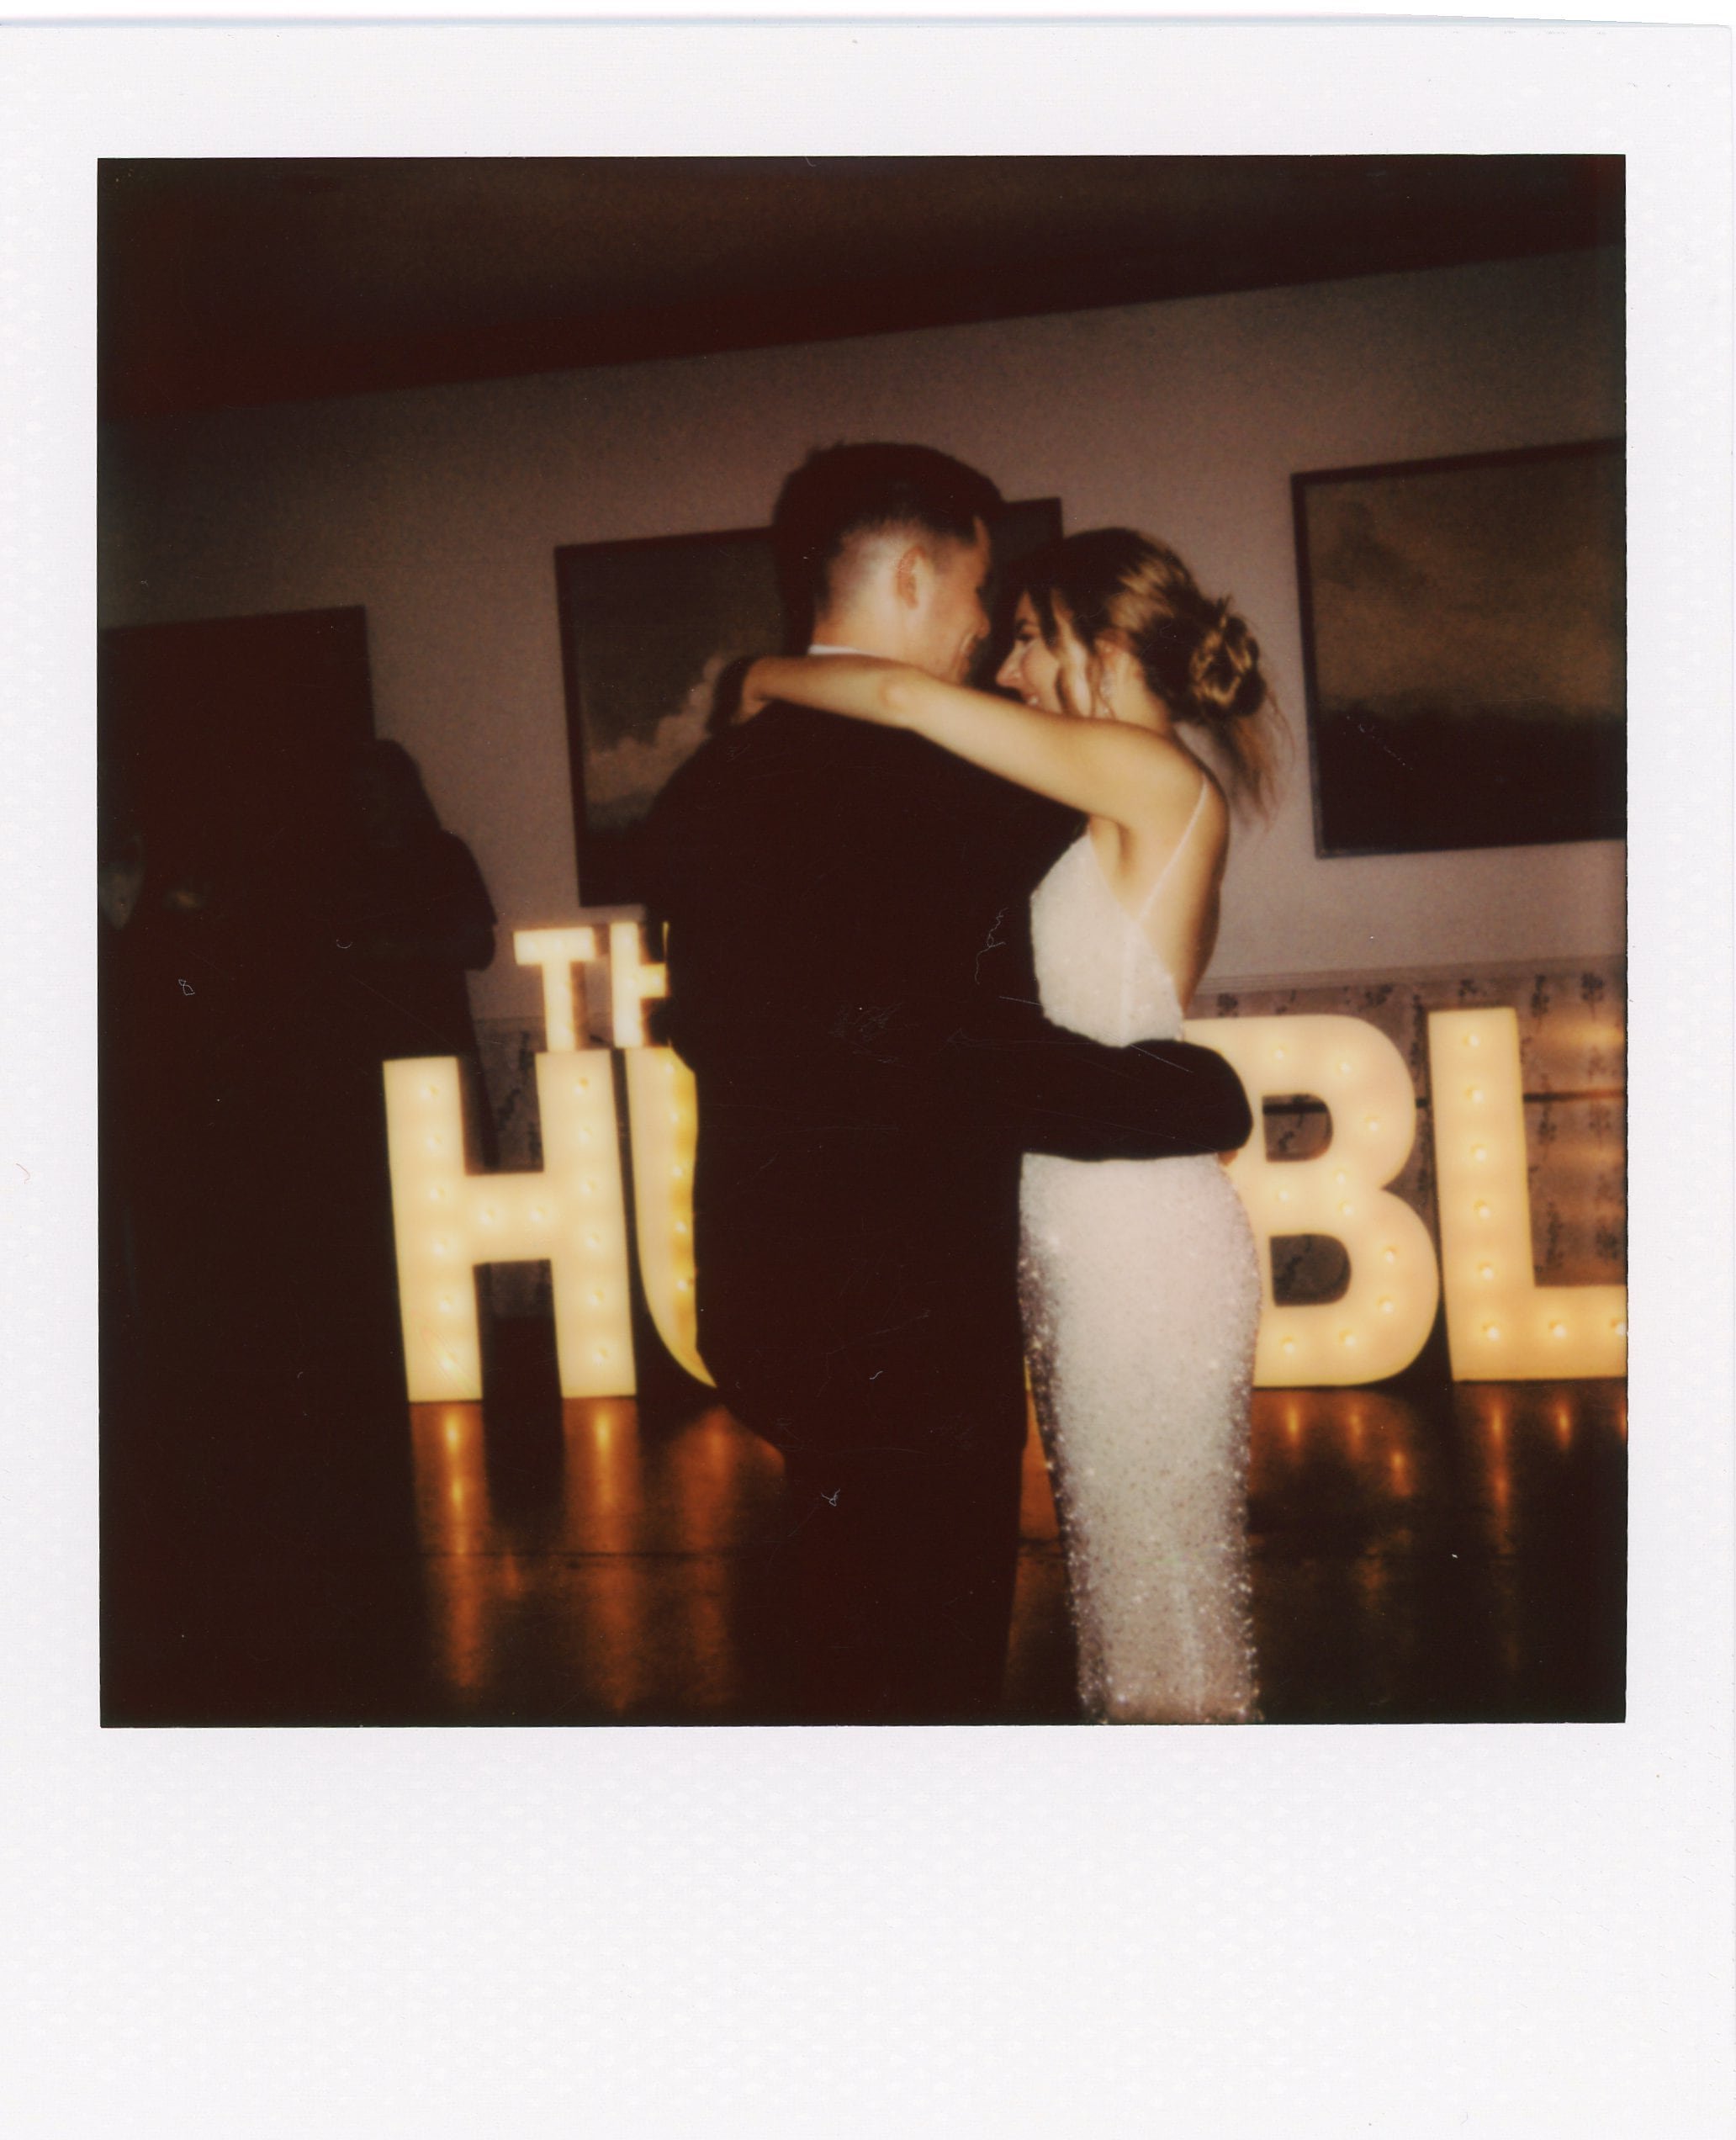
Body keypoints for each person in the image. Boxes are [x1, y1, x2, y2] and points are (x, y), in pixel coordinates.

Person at [639, 447, 1255, 1723]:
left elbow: (729, 1027)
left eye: (1024, 633)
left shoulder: (708, 792)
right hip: (915, 1315)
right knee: (936, 1654)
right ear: (917, 572)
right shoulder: (960, 785)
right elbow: (926, 1044)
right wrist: (1187, 1101)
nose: (989, 642)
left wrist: (752, 679)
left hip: (786, 1298)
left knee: (913, 1626)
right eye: (986, 604)